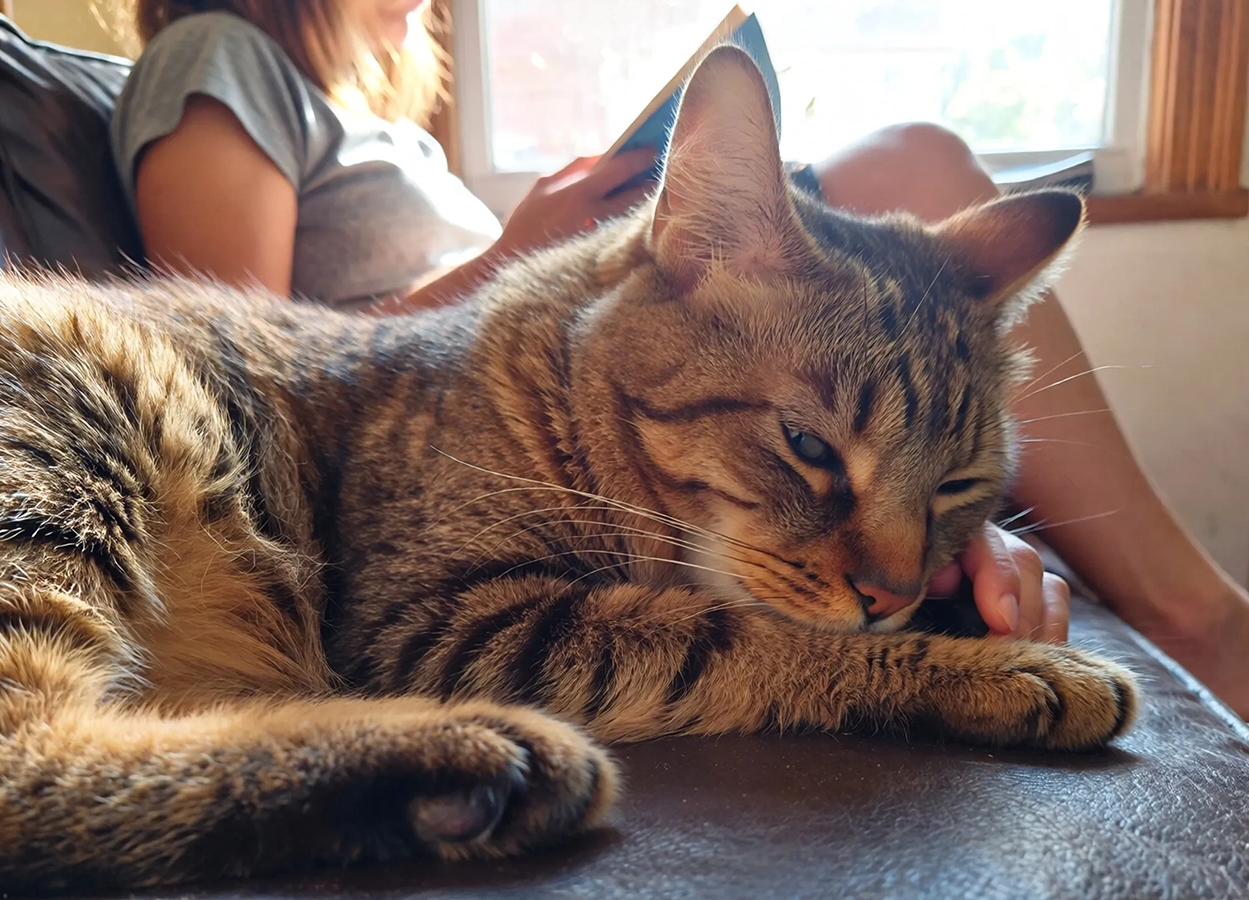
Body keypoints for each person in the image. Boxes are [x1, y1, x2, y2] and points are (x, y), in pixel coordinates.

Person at [108, 0, 1249, 715]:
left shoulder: (392, 120)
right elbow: (243, 319)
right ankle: (1193, 614)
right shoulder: (221, 53)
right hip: (464, 386)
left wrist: (911, 488)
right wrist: (522, 252)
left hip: (634, 348)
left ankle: (965, 504)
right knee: (913, 160)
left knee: (921, 166)